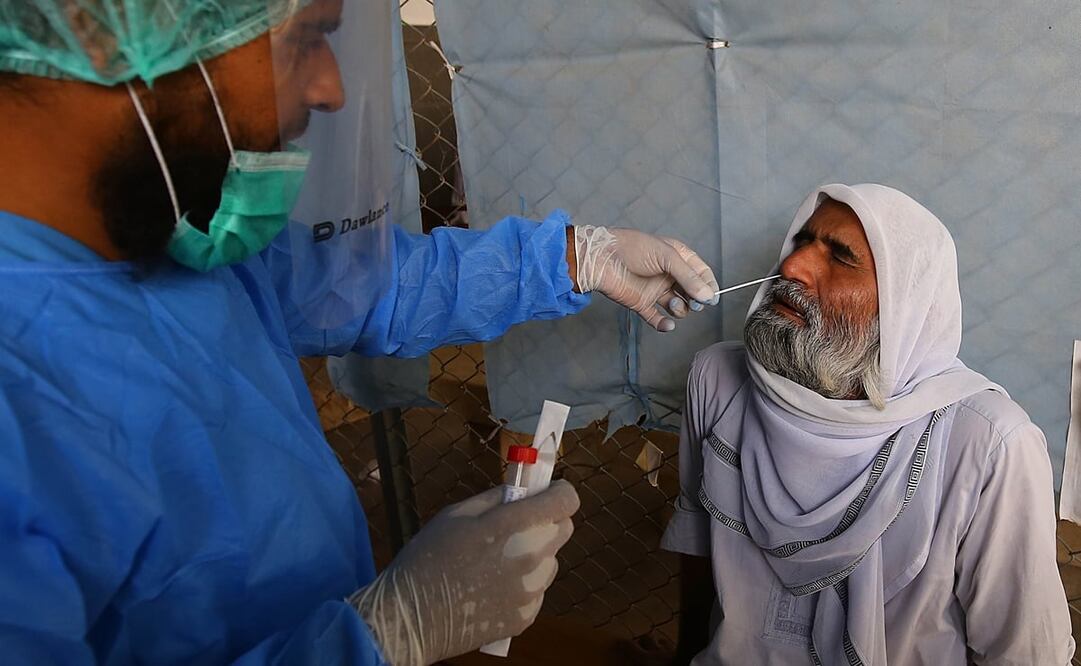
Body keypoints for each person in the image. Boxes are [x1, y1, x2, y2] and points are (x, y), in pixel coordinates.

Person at [0, 1, 720, 664]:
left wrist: (575, 257)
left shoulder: (170, 235)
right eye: (305, 38)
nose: (328, 89)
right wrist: (380, 636)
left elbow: (360, 286)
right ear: (105, 32)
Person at [663, 184, 1074, 665]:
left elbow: (1024, 652)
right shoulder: (718, 380)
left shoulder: (986, 442)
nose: (792, 267)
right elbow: (698, 547)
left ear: (904, 306)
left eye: (839, 256)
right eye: (801, 242)